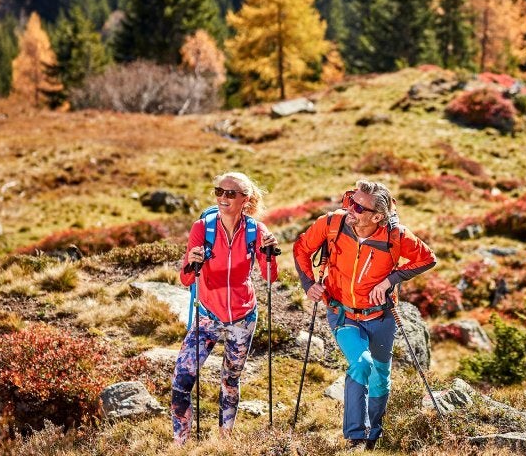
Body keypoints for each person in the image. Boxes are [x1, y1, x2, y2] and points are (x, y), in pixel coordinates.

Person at [293, 180, 436, 450]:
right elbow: (301, 247)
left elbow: (428, 258)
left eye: (358, 206)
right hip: (343, 313)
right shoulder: (332, 224)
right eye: (350, 200)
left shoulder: (396, 236)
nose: (350, 209)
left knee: (381, 376)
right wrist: (308, 283)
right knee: (361, 363)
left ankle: (374, 437)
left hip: (381, 317)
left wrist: (390, 280)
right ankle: (356, 436)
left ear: (377, 216)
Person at [171, 172, 279, 444]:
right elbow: (186, 279)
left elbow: (269, 277)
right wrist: (191, 262)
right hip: (207, 315)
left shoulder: (256, 231)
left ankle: (224, 439)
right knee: (181, 381)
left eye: (231, 193)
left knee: (230, 380)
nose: (223, 197)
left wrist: (269, 255)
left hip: (243, 317)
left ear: (246, 199)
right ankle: (180, 443)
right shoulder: (202, 229)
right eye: (219, 191)